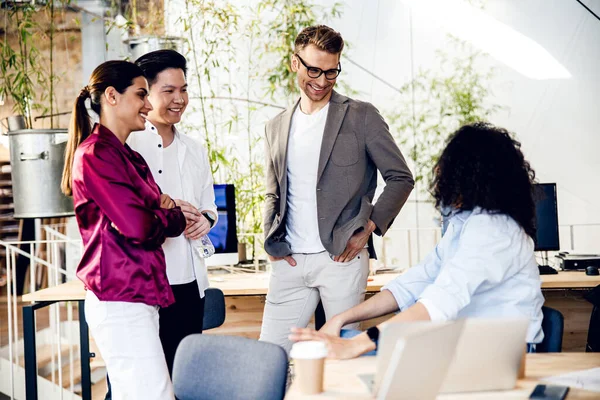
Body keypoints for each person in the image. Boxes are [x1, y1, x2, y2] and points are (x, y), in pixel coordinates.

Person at [289, 122, 545, 359]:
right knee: (339, 337)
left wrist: (358, 344)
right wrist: (340, 319)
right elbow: (413, 283)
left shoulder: (495, 230)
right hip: (466, 342)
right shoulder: (464, 223)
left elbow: (438, 303)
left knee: (350, 350)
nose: (439, 174)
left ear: (472, 176)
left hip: (501, 354)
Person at [260, 25, 415, 354]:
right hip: (289, 260)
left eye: (332, 72)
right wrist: (269, 239)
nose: (321, 81)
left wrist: (368, 228)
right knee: (270, 356)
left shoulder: (361, 116)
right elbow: (272, 193)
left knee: (341, 355)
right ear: (294, 64)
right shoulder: (276, 126)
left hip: (341, 259)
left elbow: (400, 177)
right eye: (313, 70)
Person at [61, 60, 186, 399]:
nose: (149, 104)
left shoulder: (129, 157)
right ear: (112, 96)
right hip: (119, 298)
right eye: (141, 94)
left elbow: (170, 220)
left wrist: (162, 215)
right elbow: (139, 225)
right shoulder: (95, 155)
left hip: (138, 295)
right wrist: (160, 213)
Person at [127, 49, 218, 375]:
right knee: (140, 382)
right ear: (145, 93)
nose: (179, 99)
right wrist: (167, 208)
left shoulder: (195, 148)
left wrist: (206, 219)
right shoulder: (129, 146)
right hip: (143, 283)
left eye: (183, 89)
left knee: (184, 377)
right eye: (168, 91)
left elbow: (210, 204)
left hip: (188, 281)